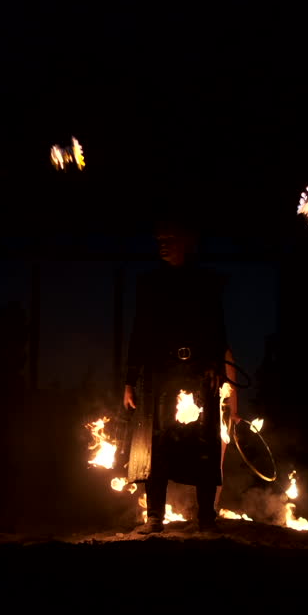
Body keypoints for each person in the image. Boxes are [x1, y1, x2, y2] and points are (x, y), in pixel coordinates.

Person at [124, 216, 237, 533]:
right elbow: (139, 332)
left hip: (199, 371)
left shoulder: (205, 284)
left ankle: (205, 518)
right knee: (157, 442)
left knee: (203, 443)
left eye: (169, 238)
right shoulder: (149, 284)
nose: (162, 244)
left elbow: (218, 328)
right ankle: (155, 517)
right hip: (162, 372)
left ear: (187, 242)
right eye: (159, 239)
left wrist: (216, 365)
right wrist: (130, 380)